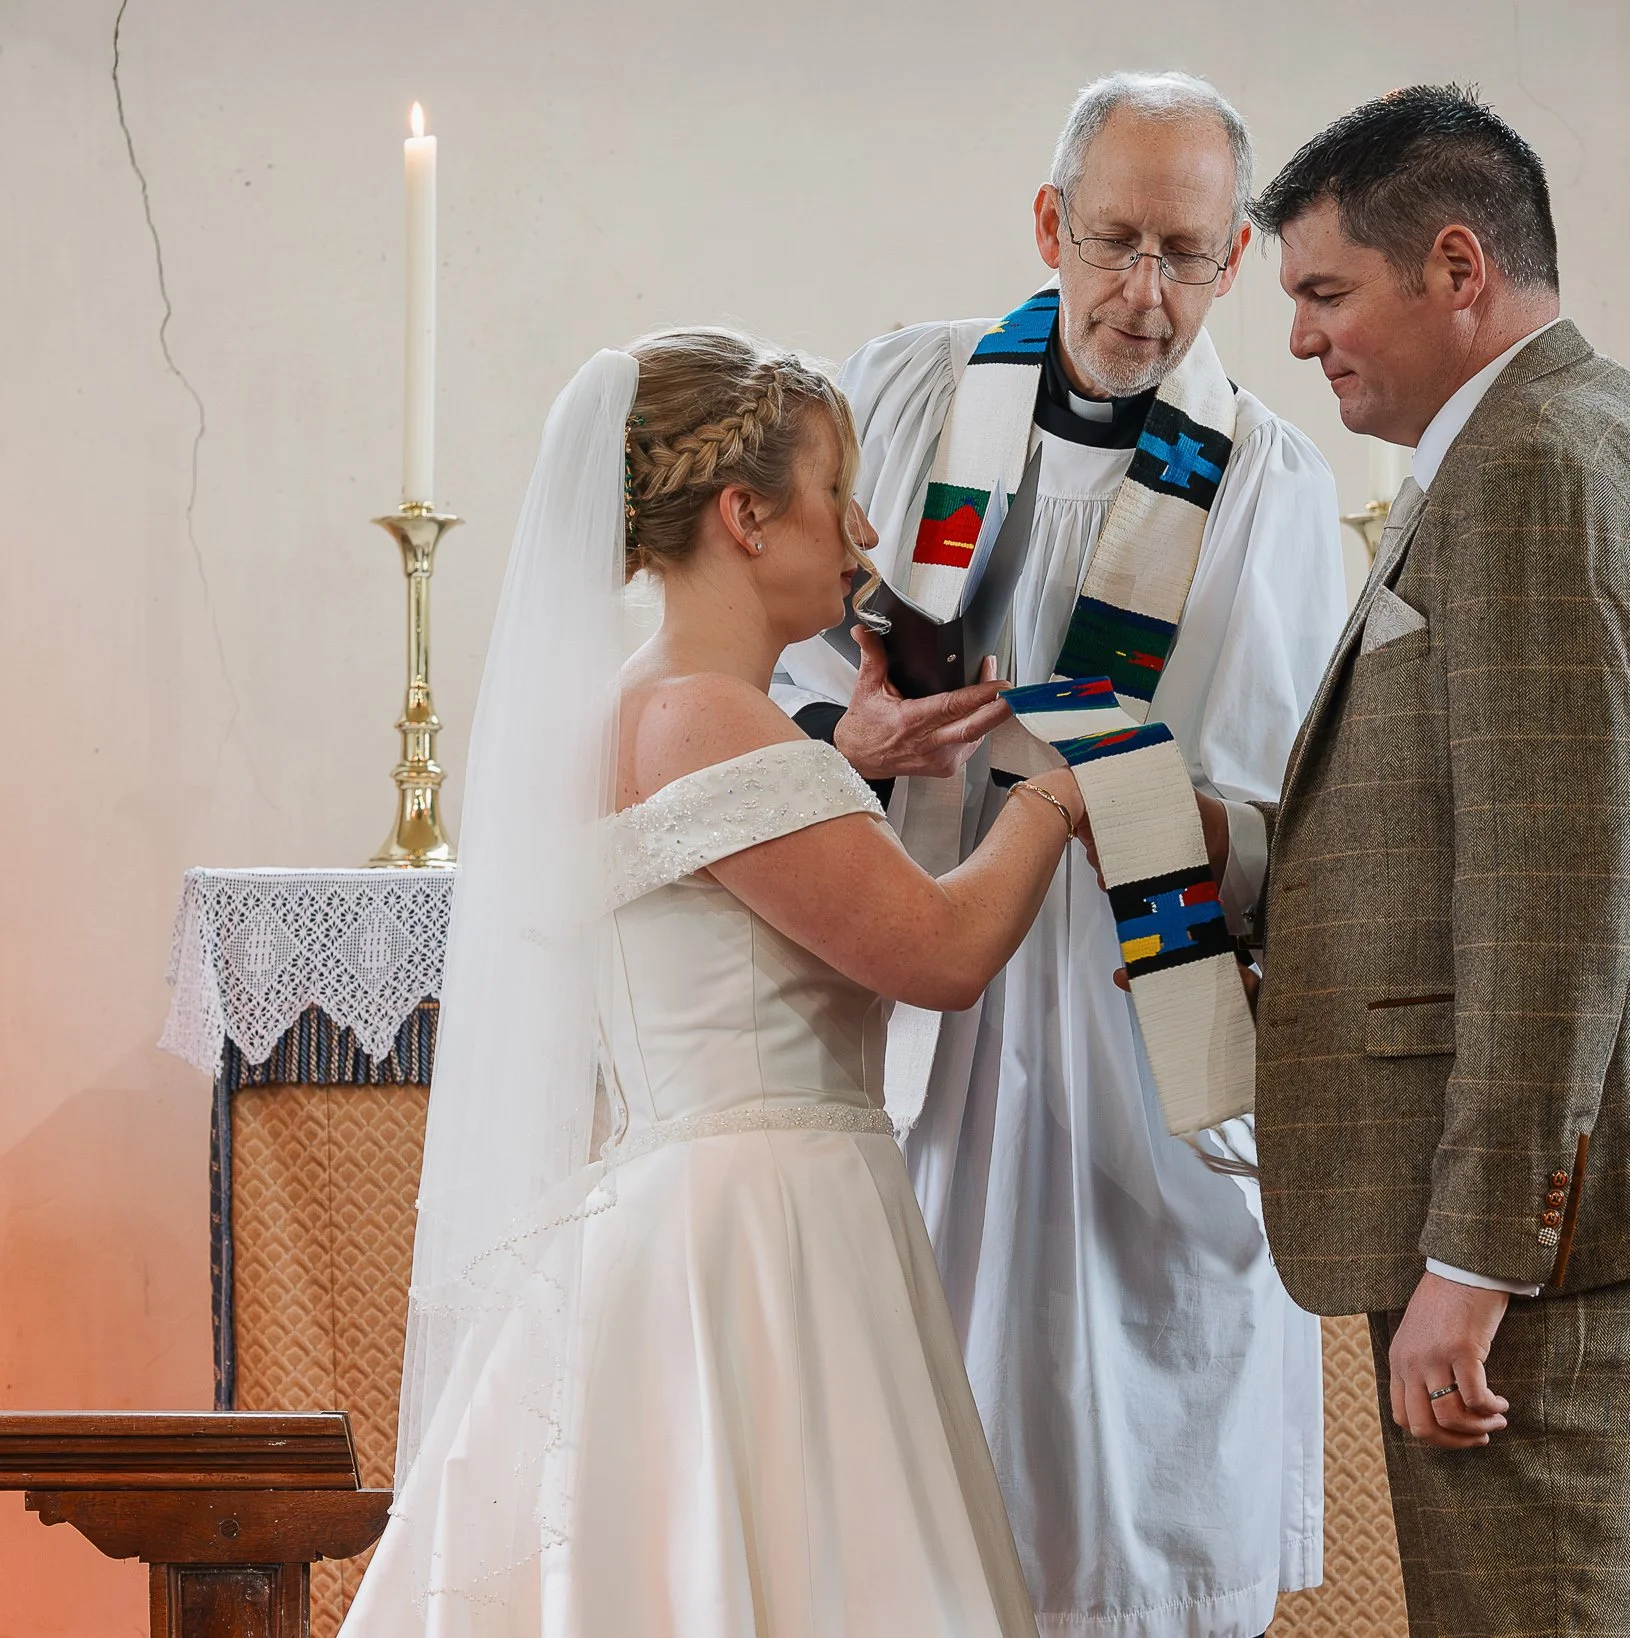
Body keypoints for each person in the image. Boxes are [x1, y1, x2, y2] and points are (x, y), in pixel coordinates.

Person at [341, 329, 1094, 1637]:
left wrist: (844, 761)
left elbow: (738, 907)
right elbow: (941, 953)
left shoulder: (644, 708)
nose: (865, 527)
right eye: (833, 485)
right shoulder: (710, 715)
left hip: (688, 1208)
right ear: (745, 514)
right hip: (765, 1229)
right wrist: (1050, 796)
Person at [1199, 86, 1630, 1637]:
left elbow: (1554, 899)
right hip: (1563, 1234)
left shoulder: (1540, 470)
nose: (1302, 340)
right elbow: (1472, 824)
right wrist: (1233, 847)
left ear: (1455, 266)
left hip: (1552, 1255)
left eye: (1326, 293)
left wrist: (1477, 1258)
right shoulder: (1544, 440)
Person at [773, 71, 1344, 1638]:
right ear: (1048, 225)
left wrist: (1140, 805)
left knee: (1125, 1491)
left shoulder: (1270, 489)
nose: (1143, 296)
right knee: (921, 1484)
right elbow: (776, 675)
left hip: (1132, 1029)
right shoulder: (899, 398)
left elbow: (1303, 813)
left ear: (1234, 261)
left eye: (1183, 253)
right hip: (918, 989)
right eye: (1112, 243)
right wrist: (860, 739)